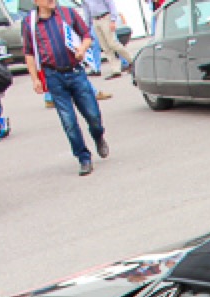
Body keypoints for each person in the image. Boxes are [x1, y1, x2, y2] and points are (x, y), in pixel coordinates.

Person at [23, 0, 110, 176]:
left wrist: (82, 49)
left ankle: (98, 136)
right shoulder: (29, 23)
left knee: (93, 115)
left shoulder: (68, 13)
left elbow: (87, 35)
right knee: (69, 122)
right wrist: (35, 79)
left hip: (76, 72)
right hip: (53, 76)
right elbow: (29, 53)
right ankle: (83, 158)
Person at [83, 0, 134, 79]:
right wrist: (87, 26)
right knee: (105, 47)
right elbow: (86, 11)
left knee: (113, 43)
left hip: (105, 18)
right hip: (95, 21)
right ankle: (115, 70)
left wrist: (113, 20)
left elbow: (111, 4)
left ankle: (132, 60)